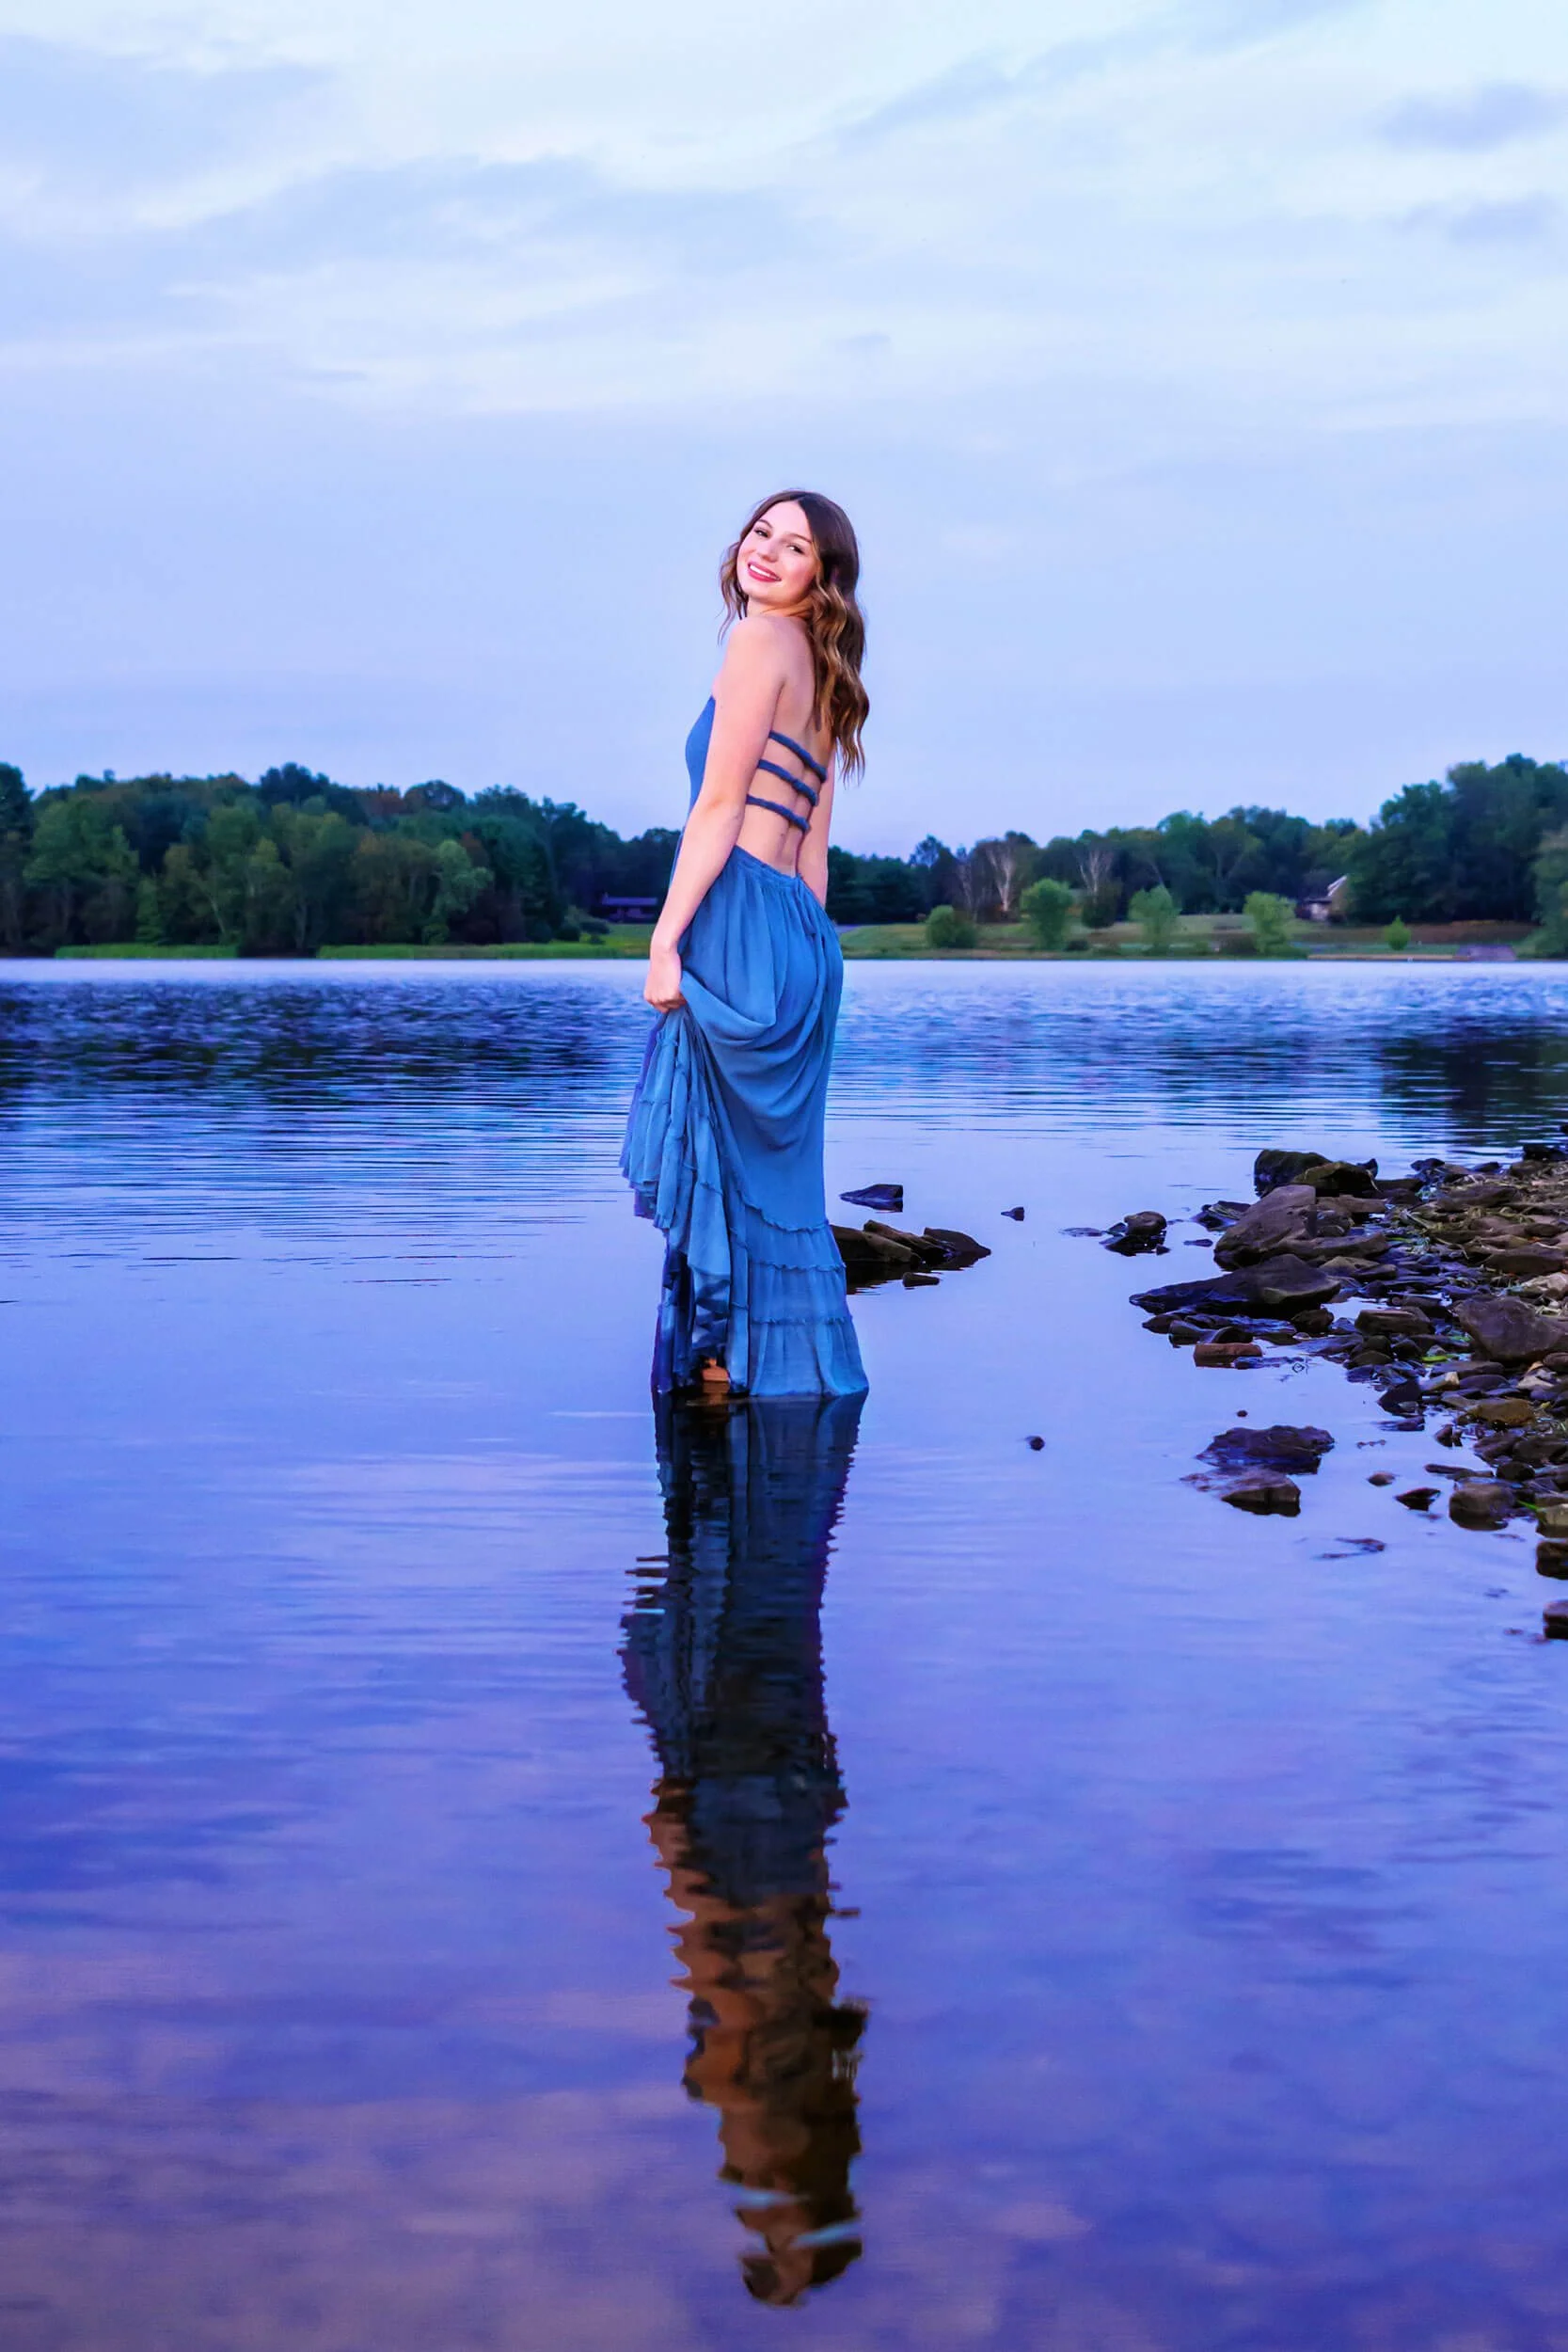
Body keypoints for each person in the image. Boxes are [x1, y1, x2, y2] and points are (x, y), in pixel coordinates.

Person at [621, 491, 870, 1400]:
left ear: (820, 575)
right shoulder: (826, 674)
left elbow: (718, 808)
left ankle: (724, 1376)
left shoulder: (757, 642)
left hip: (734, 916)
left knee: (722, 1165)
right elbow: (811, 849)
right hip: (800, 938)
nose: (766, 552)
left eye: (794, 545)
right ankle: (772, 1382)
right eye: (761, 532)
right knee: (779, 1181)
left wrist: (663, 941)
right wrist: (811, 961)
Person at [622, 1392, 868, 2305]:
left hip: (780, 1805)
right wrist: (676, 1845)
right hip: (754, 1816)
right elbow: (728, 1949)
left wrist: (677, 1845)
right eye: (766, 2215)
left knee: (728, 1615)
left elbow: (731, 1954)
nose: (745, 2201)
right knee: (722, 1616)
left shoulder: (787, 2075)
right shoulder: (771, 2078)